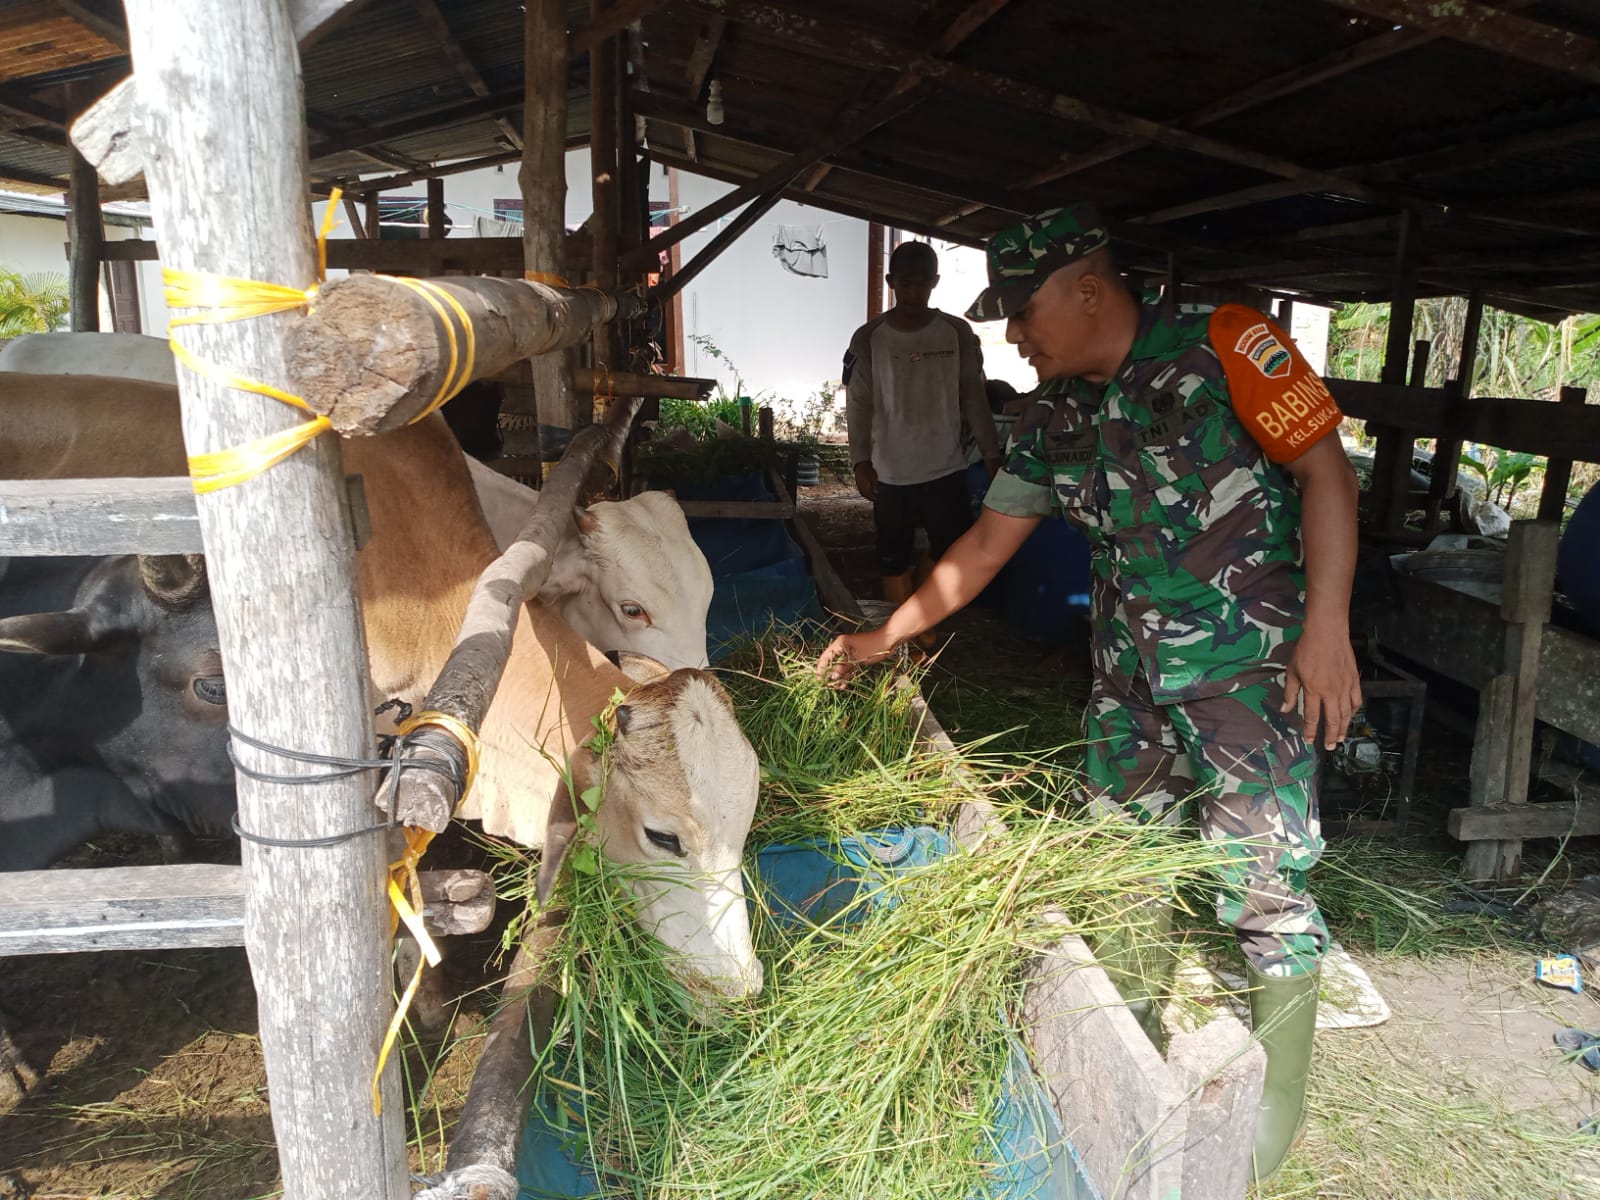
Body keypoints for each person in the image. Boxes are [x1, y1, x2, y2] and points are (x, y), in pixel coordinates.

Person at [816, 204, 1361, 1182]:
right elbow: (986, 546)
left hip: (1247, 676)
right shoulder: (1052, 417)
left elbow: (1328, 477)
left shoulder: (1228, 347)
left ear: (1089, 290)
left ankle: (1267, 1130)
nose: (1014, 339)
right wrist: (883, 634)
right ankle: (1130, 1054)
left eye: (1023, 315)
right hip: (1128, 687)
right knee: (1116, 858)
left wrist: (1326, 630)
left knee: (1264, 885)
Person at [843, 241, 1001, 634]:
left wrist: (991, 452)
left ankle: (921, 610)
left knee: (951, 546)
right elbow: (858, 403)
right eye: (906, 283)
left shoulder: (956, 332)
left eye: (923, 283)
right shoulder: (870, 337)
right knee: (892, 554)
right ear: (890, 282)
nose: (914, 293)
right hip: (891, 470)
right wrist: (860, 461)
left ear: (935, 282)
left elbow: (974, 396)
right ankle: (903, 633)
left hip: (945, 464)